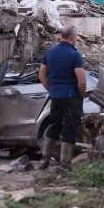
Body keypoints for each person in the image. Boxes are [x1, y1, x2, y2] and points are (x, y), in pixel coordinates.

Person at [39, 25, 87, 168]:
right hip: (71, 97)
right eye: (76, 37)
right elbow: (82, 81)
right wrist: (81, 95)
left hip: (56, 97)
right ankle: (65, 164)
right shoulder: (74, 54)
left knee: (54, 126)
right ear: (72, 38)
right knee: (69, 129)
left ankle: (44, 159)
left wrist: (51, 90)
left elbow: (41, 75)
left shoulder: (50, 52)